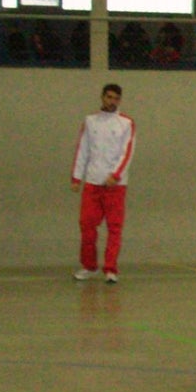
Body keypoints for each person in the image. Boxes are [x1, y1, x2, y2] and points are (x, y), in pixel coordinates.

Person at [70, 84, 136, 284]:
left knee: (114, 228)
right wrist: (76, 177)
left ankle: (110, 269)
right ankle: (89, 266)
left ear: (120, 100)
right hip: (92, 183)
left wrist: (115, 175)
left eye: (116, 98)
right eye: (108, 97)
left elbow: (128, 152)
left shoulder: (126, 123)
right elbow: (83, 150)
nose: (112, 101)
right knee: (87, 226)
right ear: (102, 97)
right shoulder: (90, 121)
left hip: (116, 186)